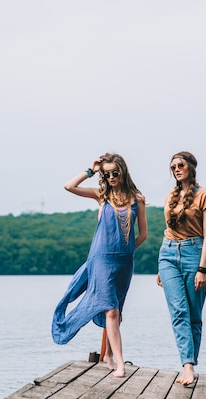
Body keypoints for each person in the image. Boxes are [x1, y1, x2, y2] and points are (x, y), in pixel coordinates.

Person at [52, 152, 148, 378]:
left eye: (115, 172)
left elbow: (143, 235)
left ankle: (106, 354)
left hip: (124, 262)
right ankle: (120, 362)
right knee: (111, 311)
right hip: (101, 259)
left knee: (116, 311)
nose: (112, 176)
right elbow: (69, 186)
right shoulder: (102, 196)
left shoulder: (137, 199)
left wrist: (126, 250)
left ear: (123, 171)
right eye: (107, 173)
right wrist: (90, 170)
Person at [156, 151, 206, 386]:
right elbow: (167, 231)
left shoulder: (205, 195)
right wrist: (162, 266)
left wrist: (202, 268)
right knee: (178, 311)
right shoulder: (170, 195)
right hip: (168, 254)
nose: (176, 169)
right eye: (172, 167)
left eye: (180, 165)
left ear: (191, 167)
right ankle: (187, 367)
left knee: (193, 315)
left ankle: (191, 363)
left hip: (194, 253)